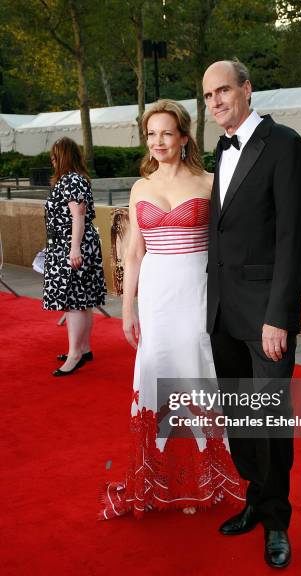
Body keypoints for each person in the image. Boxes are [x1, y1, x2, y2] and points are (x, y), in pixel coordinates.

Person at [99, 99, 245, 520]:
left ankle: (202, 477)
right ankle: (161, 476)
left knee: (194, 373)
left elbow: (230, 243)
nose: (158, 142)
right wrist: (128, 308)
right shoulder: (140, 187)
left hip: (196, 289)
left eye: (166, 133)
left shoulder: (210, 182)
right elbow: (133, 252)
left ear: (184, 136)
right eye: (151, 134)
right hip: (157, 295)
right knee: (157, 375)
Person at [203, 60, 301, 568]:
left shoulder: (284, 143)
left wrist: (281, 315)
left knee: (270, 421)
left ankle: (276, 521)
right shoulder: (219, 151)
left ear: (247, 89)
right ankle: (253, 497)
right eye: (207, 96)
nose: (216, 101)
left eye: (223, 90)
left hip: (266, 317)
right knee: (240, 419)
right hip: (224, 312)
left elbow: (295, 236)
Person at [43, 137, 106, 376]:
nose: (52, 160)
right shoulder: (75, 179)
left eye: (55, 155)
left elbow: (78, 215)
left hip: (72, 245)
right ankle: (84, 349)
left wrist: (74, 249)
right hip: (72, 244)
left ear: (63, 157)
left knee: (74, 301)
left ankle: (75, 355)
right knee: (83, 299)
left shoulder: (71, 180)